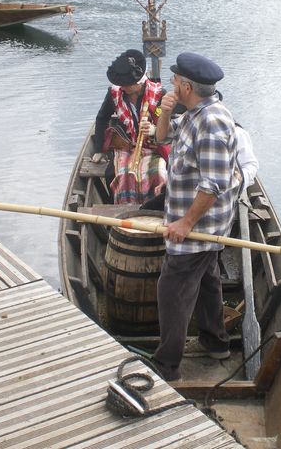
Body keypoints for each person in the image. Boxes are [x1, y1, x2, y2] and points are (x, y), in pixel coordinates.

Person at [151, 52, 241, 381]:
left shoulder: (212, 122)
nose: (171, 84)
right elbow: (162, 137)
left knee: (172, 291)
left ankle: (167, 366)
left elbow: (214, 183)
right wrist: (165, 110)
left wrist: (185, 223)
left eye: (175, 81)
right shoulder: (193, 113)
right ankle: (216, 343)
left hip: (197, 228)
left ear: (187, 87)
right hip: (198, 223)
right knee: (207, 282)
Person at [92, 49, 169, 205]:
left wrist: (154, 129)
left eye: (127, 85)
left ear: (139, 82)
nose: (123, 88)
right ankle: (117, 208)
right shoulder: (114, 93)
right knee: (113, 174)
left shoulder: (159, 94)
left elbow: (168, 124)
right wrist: (99, 150)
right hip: (125, 147)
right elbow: (102, 119)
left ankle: (155, 207)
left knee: (159, 173)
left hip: (153, 147)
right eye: (122, 85)